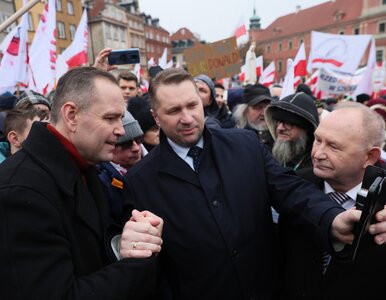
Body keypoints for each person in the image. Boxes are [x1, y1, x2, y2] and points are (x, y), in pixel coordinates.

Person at [123, 68, 375, 300]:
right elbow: (153, 268)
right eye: (174, 111)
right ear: (156, 117)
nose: (187, 118)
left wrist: (331, 218)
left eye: (192, 105)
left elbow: (290, 189)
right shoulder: (140, 181)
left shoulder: (245, 144)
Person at [0, 67, 163, 299]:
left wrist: (130, 239)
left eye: (120, 117)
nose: (120, 130)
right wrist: (138, 262)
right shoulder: (20, 192)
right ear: (71, 115)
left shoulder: (85, 167)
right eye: (110, 118)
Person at [280, 102, 386, 300]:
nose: (318, 154)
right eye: (318, 140)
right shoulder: (292, 185)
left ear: (370, 156)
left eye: (334, 146)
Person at [265, 92, 319, 170]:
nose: (280, 128)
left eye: (287, 123)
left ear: (306, 128)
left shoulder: (316, 164)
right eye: (278, 121)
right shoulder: (266, 150)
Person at [232, 83, 274, 151]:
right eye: (258, 107)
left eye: (268, 108)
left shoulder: (278, 135)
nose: (264, 113)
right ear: (244, 110)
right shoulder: (234, 134)